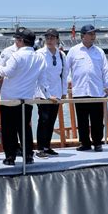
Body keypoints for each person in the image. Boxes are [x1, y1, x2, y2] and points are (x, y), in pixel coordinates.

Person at [0, 27, 53, 166]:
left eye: (17, 39)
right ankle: (28, 155)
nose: (16, 41)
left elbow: (7, 72)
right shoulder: (39, 57)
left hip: (10, 98)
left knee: (8, 129)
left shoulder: (16, 55)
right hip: (27, 98)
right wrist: (49, 96)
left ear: (21, 41)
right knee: (25, 128)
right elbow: (42, 81)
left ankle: (10, 157)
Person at [66, 24, 108, 152]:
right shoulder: (74, 51)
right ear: (83, 36)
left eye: (94, 34)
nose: (93, 36)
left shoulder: (99, 51)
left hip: (96, 90)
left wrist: (107, 85)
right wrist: (68, 80)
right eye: (90, 34)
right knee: (82, 119)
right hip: (80, 90)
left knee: (97, 119)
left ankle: (98, 142)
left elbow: (105, 69)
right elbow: (66, 68)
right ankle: (85, 143)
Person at [35, 29, 68, 159]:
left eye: (52, 38)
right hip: (43, 93)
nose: (50, 40)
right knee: (43, 119)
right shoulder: (39, 54)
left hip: (57, 91)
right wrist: (47, 94)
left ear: (57, 39)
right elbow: (40, 76)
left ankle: (47, 146)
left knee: (52, 119)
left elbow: (64, 75)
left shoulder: (61, 55)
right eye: (47, 37)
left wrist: (64, 92)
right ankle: (40, 148)